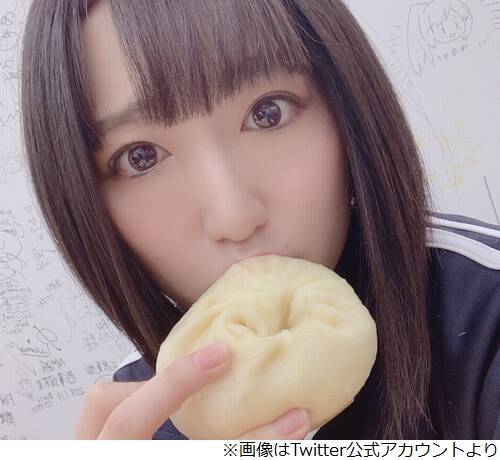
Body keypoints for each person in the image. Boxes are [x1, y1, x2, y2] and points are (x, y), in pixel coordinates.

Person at [20, 0, 499, 440]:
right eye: (141, 157)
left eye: (268, 113)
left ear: (346, 107)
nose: (234, 217)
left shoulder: (485, 319)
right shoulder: (145, 420)